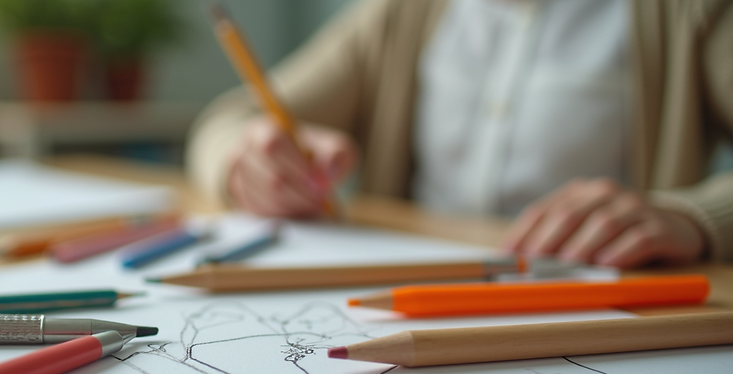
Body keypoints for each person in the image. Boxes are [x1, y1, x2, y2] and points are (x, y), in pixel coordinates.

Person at [187, 0, 733, 268]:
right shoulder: (400, 12)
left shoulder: (688, 12)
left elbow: (699, 217)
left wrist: (691, 218)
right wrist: (245, 161)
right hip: (411, 287)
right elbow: (227, 119)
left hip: (598, 308)